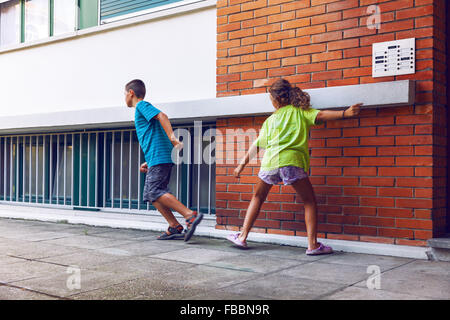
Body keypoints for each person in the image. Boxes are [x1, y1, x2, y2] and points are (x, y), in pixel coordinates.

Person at [227, 78, 362, 255]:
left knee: (257, 197)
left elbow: (257, 145)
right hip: (292, 162)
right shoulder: (299, 112)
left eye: (271, 99)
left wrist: (240, 166)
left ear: (276, 100)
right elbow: (320, 115)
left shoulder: (270, 120)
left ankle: (242, 236)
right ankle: (313, 245)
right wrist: (345, 113)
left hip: (270, 162)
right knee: (309, 201)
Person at [125, 79, 203, 241]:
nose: (124, 98)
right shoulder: (143, 111)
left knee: (155, 191)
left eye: (124, 94)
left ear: (131, 93)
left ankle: (190, 215)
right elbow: (156, 134)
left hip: (160, 157)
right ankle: (174, 226)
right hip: (158, 157)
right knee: (151, 194)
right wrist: (149, 160)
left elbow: (162, 116)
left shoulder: (141, 106)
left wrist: (173, 138)